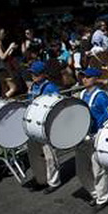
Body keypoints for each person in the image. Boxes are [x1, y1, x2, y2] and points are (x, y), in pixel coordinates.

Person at [76, 67, 108, 212]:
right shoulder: (81, 94)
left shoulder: (101, 96)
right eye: (83, 77)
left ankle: (102, 198)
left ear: (94, 79)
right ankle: (95, 193)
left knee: (98, 170)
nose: (83, 79)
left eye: (87, 77)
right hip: (81, 137)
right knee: (81, 171)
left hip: (94, 137)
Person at [24, 61, 62, 194]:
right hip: (32, 124)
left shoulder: (50, 87)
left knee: (49, 156)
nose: (32, 76)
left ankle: (53, 182)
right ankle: (41, 180)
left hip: (45, 127)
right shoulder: (33, 86)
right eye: (32, 73)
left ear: (43, 74)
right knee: (34, 155)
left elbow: (58, 105)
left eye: (35, 73)